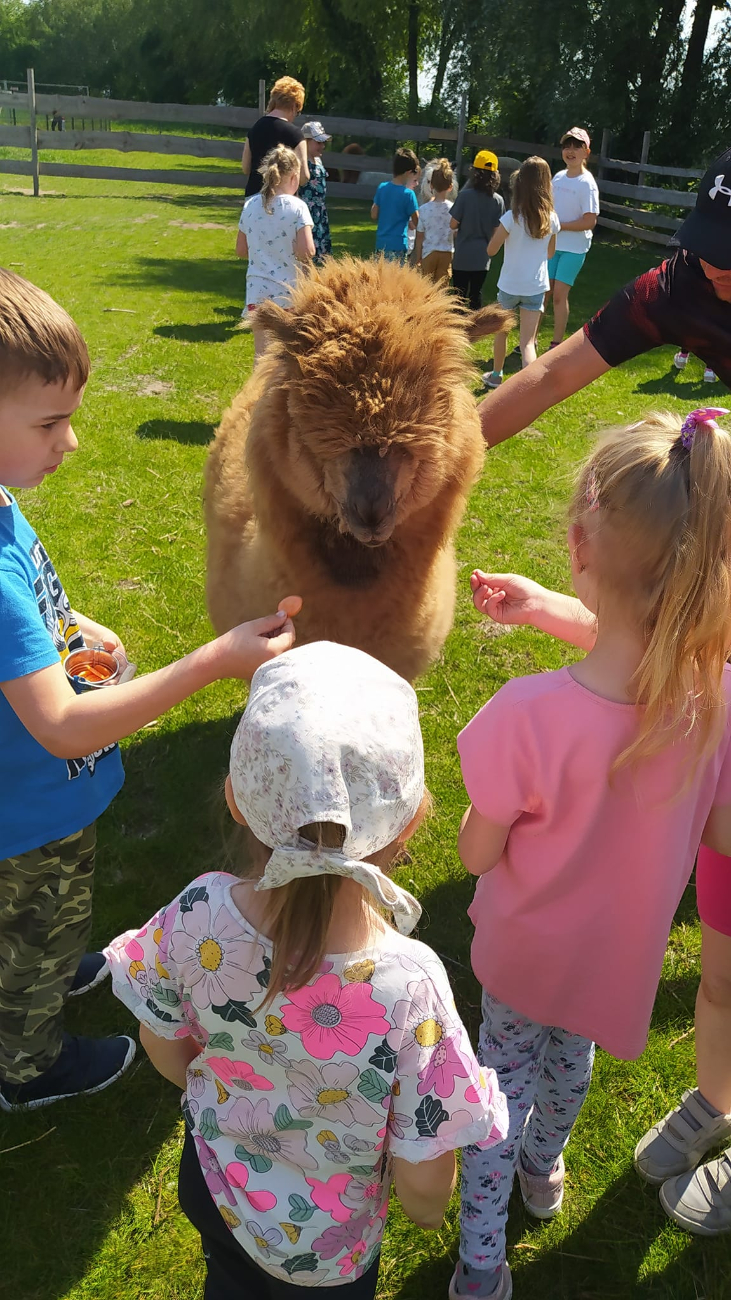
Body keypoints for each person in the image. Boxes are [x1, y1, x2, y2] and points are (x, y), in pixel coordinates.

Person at [105, 641, 508, 1299]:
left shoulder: (198, 911)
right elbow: (425, 1175)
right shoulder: (409, 985)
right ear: (410, 821)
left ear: (237, 799)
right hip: (327, 1246)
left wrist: (229, 1095)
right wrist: (426, 1212)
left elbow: (164, 1045)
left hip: (214, 1187)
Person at [0, 269, 297, 1114]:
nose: (71, 442)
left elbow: (25, 615)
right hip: (30, 812)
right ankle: (28, 1064)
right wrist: (207, 663)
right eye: (49, 422)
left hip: (29, 798)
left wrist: (71, 627)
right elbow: (62, 726)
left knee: (41, 914)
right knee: (34, 910)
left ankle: (52, 958)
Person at [452, 409, 731, 1299]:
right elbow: (719, 834)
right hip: (613, 965)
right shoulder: (714, 708)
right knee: (566, 1068)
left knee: (495, 1089)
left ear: (578, 545)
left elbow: (475, 853)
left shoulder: (523, 714)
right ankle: (543, 1173)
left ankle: (479, 1263)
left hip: (520, 957)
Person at [479, 147, 731, 446]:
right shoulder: (674, 287)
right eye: (705, 244)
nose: (713, 269)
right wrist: (447, 455)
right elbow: (551, 376)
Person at [481, 156, 560, 389]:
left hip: (510, 285)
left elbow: (491, 250)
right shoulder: (551, 219)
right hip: (535, 286)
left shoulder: (511, 218)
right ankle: (529, 389)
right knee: (527, 343)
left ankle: (496, 375)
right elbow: (550, 253)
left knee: (501, 333)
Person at [237, 145, 315, 365]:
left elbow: (241, 250)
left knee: (261, 356)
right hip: (288, 292)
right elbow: (307, 251)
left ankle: (257, 388)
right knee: (284, 357)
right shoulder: (298, 207)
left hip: (257, 292)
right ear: (294, 176)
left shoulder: (250, 205)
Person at [546, 128, 599, 347]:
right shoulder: (558, 177)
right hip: (552, 244)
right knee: (543, 293)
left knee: (559, 295)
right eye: (567, 146)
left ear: (586, 152)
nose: (571, 151)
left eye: (577, 147)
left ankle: (556, 343)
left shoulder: (587, 183)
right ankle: (528, 340)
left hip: (574, 249)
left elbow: (590, 221)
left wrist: (561, 226)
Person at [450, 151, 505, 311]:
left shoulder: (464, 196)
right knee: (476, 295)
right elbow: (497, 231)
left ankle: (456, 324)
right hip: (482, 257)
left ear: (474, 173)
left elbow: (453, 224)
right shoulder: (498, 201)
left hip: (462, 255)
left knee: (458, 296)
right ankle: (475, 324)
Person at [241, 76, 309, 199]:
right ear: (294, 106)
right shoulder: (295, 134)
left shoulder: (255, 128)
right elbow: (304, 177)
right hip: (283, 199)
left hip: (254, 197)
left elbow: (246, 168)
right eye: (297, 111)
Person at [370, 148, 420, 264]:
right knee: (396, 274)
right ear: (408, 172)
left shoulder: (382, 187)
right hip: (398, 245)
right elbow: (417, 221)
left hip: (381, 243)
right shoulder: (408, 194)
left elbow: (373, 214)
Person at [413, 157, 455, 284]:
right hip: (447, 254)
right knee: (442, 288)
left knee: (426, 286)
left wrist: (418, 256)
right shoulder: (454, 209)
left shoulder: (424, 209)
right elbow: (456, 232)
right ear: (450, 187)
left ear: (431, 185)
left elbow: (419, 236)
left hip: (429, 253)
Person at [299, 120, 332, 264]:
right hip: (307, 210)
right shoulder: (301, 161)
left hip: (319, 211)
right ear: (305, 141)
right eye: (318, 142)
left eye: (323, 142)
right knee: (307, 249)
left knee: (321, 252)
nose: (322, 146)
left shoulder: (318, 160)